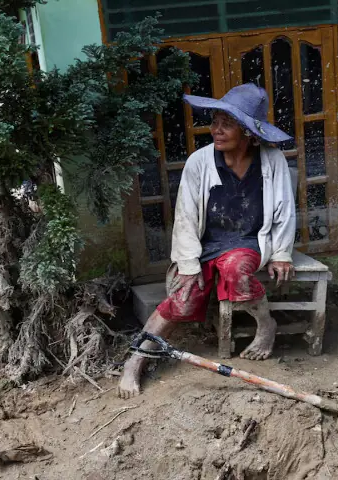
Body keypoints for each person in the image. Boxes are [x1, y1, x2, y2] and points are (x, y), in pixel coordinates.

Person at [118, 83, 297, 399]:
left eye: (226, 124)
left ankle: (266, 325)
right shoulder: (199, 162)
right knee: (183, 296)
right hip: (207, 244)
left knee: (236, 267)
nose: (215, 129)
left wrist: (282, 252)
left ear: (247, 131)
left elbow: (284, 210)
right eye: (214, 122)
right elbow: (185, 218)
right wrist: (188, 263)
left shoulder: (272, 161)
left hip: (249, 241)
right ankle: (137, 359)